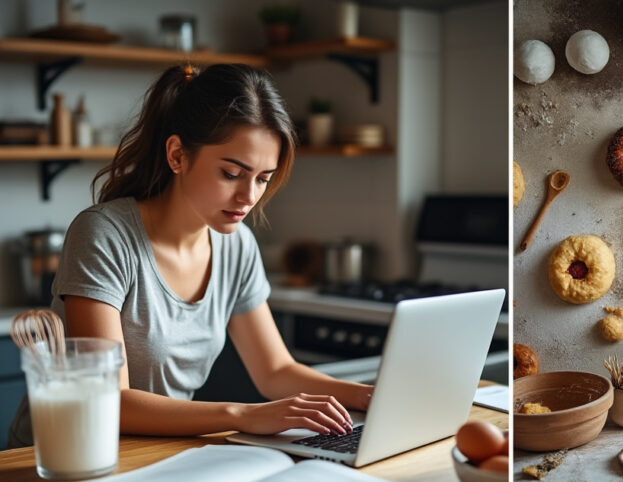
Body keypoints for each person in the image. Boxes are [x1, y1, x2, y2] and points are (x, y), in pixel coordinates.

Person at [8, 64, 372, 449]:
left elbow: (275, 370)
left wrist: (368, 395)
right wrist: (244, 415)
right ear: (178, 155)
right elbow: (107, 398)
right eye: (232, 173)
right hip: (57, 457)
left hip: (154, 456)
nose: (249, 197)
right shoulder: (104, 234)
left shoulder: (237, 246)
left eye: (263, 178)